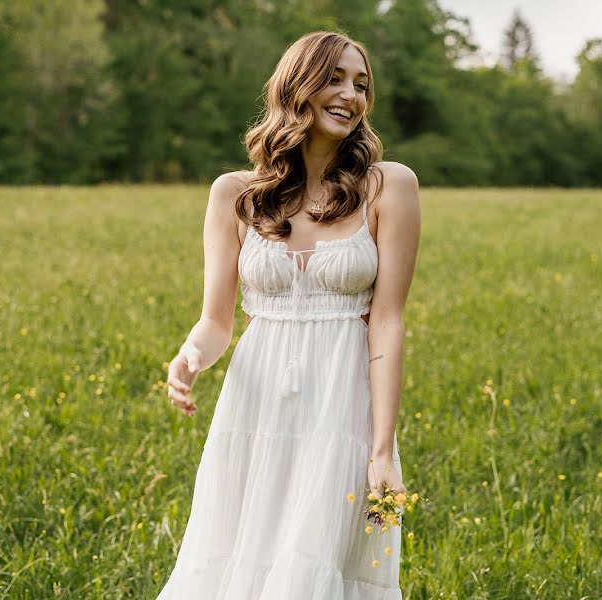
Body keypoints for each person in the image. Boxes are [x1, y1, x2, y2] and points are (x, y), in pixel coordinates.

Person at [158, 30, 421, 599]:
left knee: (324, 566)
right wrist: (190, 356)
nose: (350, 95)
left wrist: (382, 451)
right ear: (294, 85)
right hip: (254, 412)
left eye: (361, 84)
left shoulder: (389, 186)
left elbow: (388, 321)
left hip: (343, 409)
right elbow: (217, 320)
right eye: (334, 78)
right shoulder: (234, 194)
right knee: (237, 561)